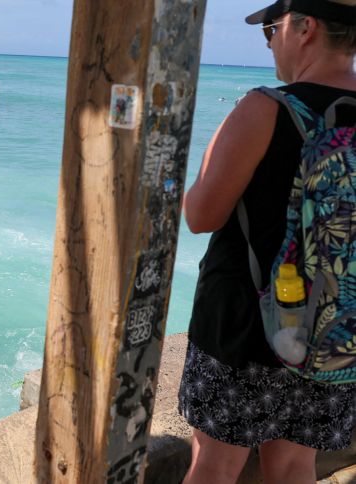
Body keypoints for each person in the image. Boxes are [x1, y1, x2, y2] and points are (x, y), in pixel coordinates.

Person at [179, 1, 356, 482]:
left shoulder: (265, 108)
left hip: (245, 327)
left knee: (214, 463)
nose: (271, 41)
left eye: (271, 30)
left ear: (305, 29)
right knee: (296, 463)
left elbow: (201, 214)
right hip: (337, 328)